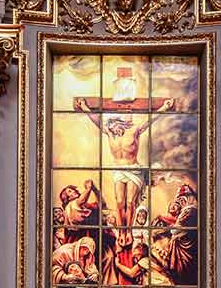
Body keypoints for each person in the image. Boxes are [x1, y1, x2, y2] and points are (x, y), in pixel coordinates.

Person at [74, 97, 174, 246]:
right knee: (120, 202)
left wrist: (164, 108)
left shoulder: (135, 130)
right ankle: (122, 231)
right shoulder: (110, 132)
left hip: (134, 170)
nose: (116, 127)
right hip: (118, 170)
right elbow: (97, 121)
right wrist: (84, 107)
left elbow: (150, 120)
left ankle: (129, 232)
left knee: (130, 202)